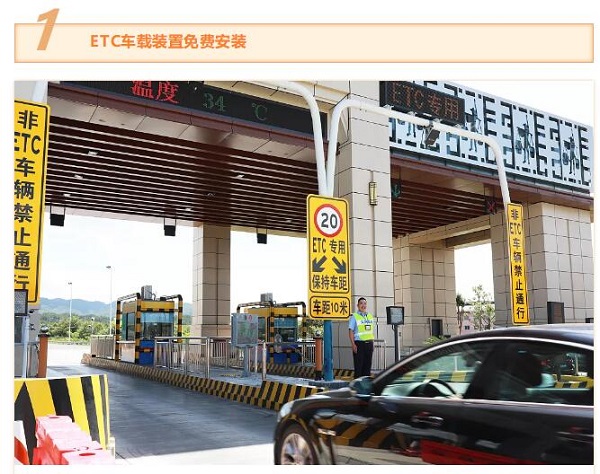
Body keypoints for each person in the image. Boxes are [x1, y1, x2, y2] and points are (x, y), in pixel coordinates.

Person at [348, 297, 375, 378]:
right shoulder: (354, 316)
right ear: (358, 305)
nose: (363, 305)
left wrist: (372, 343)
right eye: (361, 303)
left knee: (367, 366)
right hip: (359, 344)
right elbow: (351, 331)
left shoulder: (370, 316)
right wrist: (353, 344)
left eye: (365, 303)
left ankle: (365, 383)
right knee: (359, 366)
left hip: (369, 344)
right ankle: (358, 384)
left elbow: (371, 331)